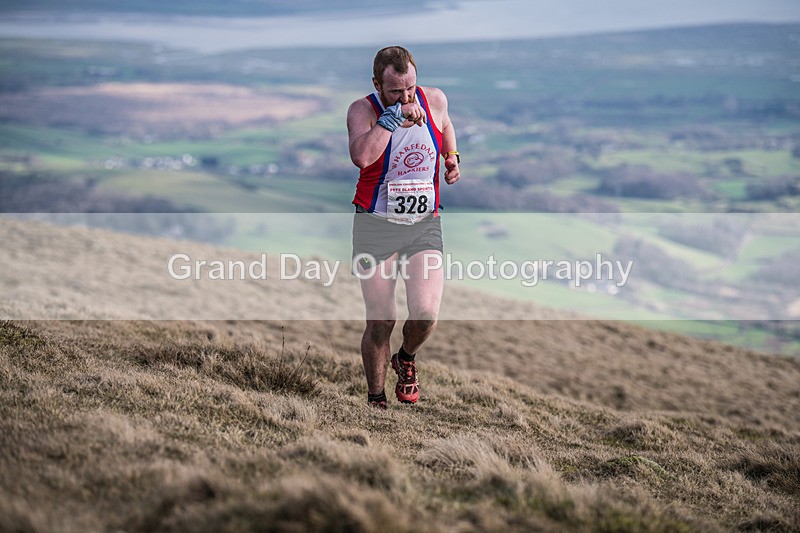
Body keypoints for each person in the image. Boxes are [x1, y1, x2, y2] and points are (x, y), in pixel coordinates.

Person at [346, 45, 460, 409]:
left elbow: (445, 125)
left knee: (426, 314)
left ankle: (406, 358)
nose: (406, 96)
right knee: (381, 321)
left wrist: (451, 158)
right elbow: (361, 156)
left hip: (423, 222)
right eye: (396, 90)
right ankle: (376, 399)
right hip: (375, 225)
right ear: (377, 84)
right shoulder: (362, 110)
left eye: (410, 87)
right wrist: (391, 118)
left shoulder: (434, 99)